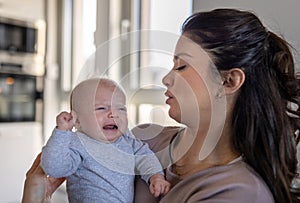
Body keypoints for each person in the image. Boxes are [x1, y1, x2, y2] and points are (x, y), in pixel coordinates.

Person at [22, 8, 300, 203]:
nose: (167, 78)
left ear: (228, 81)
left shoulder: (237, 192)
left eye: (182, 66)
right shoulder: (143, 139)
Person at [39, 78, 170, 202]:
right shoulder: (77, 142)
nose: (113, 114)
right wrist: (62, 133)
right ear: (77, 120)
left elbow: (146, 157)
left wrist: (156, 176)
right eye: (102, 108)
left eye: (121, 108)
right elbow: (54, 169)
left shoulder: (128, 142)